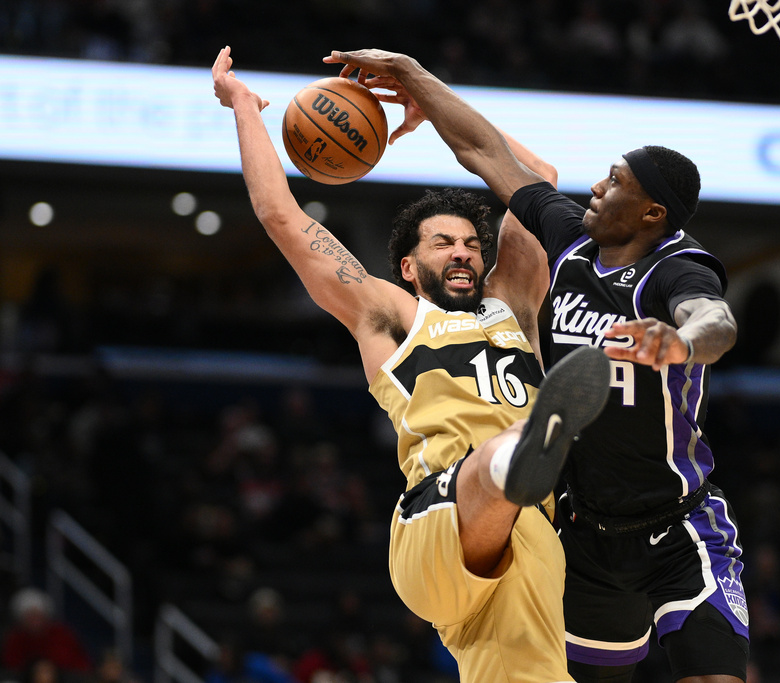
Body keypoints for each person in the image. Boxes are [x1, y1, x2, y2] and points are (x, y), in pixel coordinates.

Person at [323, 48, 749, 683]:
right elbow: (484, 152)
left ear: (651, 214)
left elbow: (717, 321)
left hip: (678, 523)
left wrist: (680, 342)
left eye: (614, 182)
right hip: (583, 530)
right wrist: (413, 77)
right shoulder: (570, 237)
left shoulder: (675, 269)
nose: (596, 187)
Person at [211, 46, 611, 683]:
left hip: (529, 532)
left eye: (472, 244)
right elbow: (280, 216)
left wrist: (433, 103)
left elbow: (536, 175)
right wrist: (243, 108)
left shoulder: (514, 308)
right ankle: (520, 451)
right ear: (408, 266)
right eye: (443, 243)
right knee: (498, 460)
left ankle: (524, 456)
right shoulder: (391, 314)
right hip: (436, 513)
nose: (463, 252)